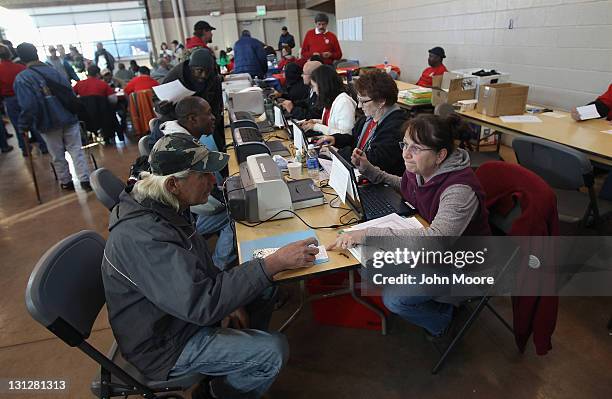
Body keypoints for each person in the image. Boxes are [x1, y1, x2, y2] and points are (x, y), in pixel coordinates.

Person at [102, 133, 319, 398]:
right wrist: (271, 263)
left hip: (178, 317)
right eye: (203, 175)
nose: (212, 181)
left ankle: (237, 359)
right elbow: (200, 305)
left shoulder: (168, 206)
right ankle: (219, 392)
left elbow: (199, 270)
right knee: (272, 351)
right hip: (165, 343)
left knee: (264, 289)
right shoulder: (144, 237)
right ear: (173, 184)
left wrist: (235, 299)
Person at [327, 114, 491, 339]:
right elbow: (406, 186)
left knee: (394, 298)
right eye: (405, 144)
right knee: (369, 269)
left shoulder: (459, 190)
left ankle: (443, 321)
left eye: (415, 148)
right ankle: (433, 303)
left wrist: (367, 234)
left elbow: (435, 241)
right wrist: (370, 170)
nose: (405, 153)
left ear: (440, 155)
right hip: (439, 251)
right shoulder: (422, 169)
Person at [153, 96, 237, 268]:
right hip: (190, 218)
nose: (214, 117)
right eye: (208, 114)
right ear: (192, 119)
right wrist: (232, 195)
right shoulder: (181, 147)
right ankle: (219, 268)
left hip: (186, 215)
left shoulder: (178, 138)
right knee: (237, 212)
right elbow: (209, 200)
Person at [14, 42, 91, 190]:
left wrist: (23, 125)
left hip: (48, 122)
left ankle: (66, 181)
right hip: (69, 116)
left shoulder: (23, 78)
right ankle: (84, 179)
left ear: (21, 58)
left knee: (57, 155)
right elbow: (70, 92)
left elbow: (29, 105)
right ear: (36, 53)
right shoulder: (54, 71)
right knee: (76, 150)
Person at [331, 69, 408, 176]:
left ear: (381, 101)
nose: (359, 106)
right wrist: (335, 139)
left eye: (364, 101)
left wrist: (338, 153)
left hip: (381, 184)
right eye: (358, 100)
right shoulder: (367, 118)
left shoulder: (397, 126)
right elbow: (354, 141)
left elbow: (375, 160)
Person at [163, 48, 225, 156]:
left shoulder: (214, 78)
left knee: (219, 150)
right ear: (190, 68)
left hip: (204, 123)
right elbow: (158, 99)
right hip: (179, 125)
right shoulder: (175, 75)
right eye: (199, 70)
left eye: (207, 71)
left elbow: (217, 105)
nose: (204, 75)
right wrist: (161, 108)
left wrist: (212, 125)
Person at [0, 43, 48, 156]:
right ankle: (43, 145)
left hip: (9, 100)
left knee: (18, 126)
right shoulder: (21, 68)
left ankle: (25, 148)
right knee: (33, 121)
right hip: (25, 95)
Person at [301, 65, 356, 136]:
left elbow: (345, 134)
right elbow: (330, 124)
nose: (314, 90)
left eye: (314, 86)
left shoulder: (344, 102)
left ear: (323, 86)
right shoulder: (330, 99)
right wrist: (314, 122)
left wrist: (316, 127)